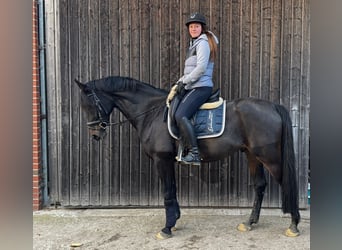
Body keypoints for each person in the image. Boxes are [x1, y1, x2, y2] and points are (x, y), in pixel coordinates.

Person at [174, 12, 219, 165]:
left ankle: (194, 153)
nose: (193, 29)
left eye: (196, 26)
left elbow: (200, 68)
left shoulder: (203, 43)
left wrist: (185, 82)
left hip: (201, 87)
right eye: (191, 26)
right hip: (193, 85)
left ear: (202, 28)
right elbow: (189, 71)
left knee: (180, 115)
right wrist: (179, 83)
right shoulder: (194, 44)